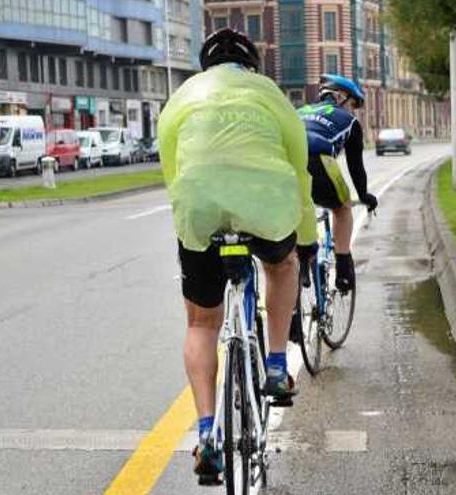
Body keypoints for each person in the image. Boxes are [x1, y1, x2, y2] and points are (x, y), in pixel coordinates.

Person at [157, 28, 317, 484]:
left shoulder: (182, 97)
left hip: (201, 213)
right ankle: (273, 366)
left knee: (201, 322)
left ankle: (207, 433)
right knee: (280, 265)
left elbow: (174, 176)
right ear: (253, 66)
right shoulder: (271, 95)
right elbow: (300, 173)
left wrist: (190, 230)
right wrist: (305, 242)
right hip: (265, 205)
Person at [297, 74, 378, 292]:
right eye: (353, 104)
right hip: (318, 158)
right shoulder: (348, 120)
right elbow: (355, 167)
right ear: (341, 97)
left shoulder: (299, 112)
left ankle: (301, 261)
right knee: (342, 209)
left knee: (295, 211)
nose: (353, 110)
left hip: (287, 162)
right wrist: (363, 196)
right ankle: (342, 269)